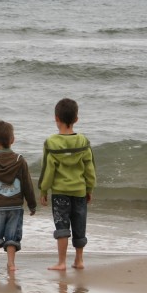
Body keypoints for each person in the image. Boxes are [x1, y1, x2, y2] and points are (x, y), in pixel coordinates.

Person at [38, 98, 96, 271]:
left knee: (62, 226)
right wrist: (89, 188)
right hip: (79, 191)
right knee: (80, 225)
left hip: (60, 193)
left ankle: (61, 262)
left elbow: (47, 170)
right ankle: (79, 260)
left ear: (56, 118)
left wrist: (43, 190)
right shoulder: (83, 142)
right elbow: (90, 169)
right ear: (76, 119)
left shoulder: (51, 143)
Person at [0, 120, 37, 271]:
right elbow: (27, 184)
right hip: (15, 206)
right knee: (12, 235)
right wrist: (32, 204)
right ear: (12, 140)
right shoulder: (20, 161)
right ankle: (11, 263)